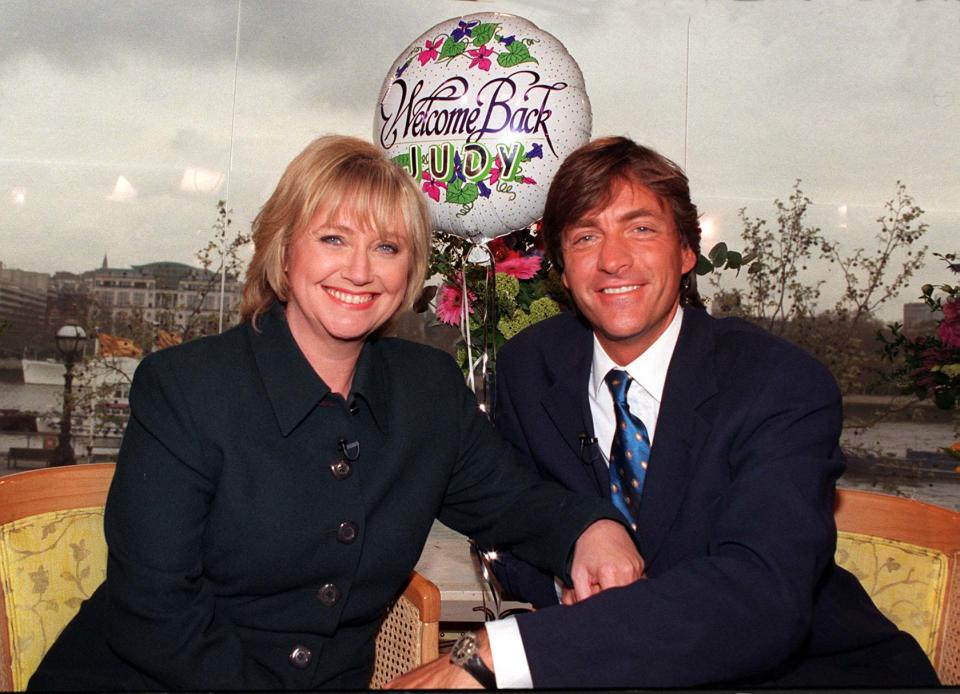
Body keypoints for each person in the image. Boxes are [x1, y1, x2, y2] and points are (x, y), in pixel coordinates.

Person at [28, 135, 643, 690]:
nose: (359, 270)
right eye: (333, 239)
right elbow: (155, 608)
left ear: (409, 274)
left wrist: (591, 530)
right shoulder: (185, 387)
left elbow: (515, 501)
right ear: (284, 252)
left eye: (386, 246)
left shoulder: (426, 390)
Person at [389, 137, 940, 688]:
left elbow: (762, 595)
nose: (613, 259)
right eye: (586, 236)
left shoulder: (777, 382)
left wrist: (499, 655)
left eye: (641, 228)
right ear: (560, 268)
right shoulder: (528, 368)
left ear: (685, 251)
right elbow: (515, 524)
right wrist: (572, 573)